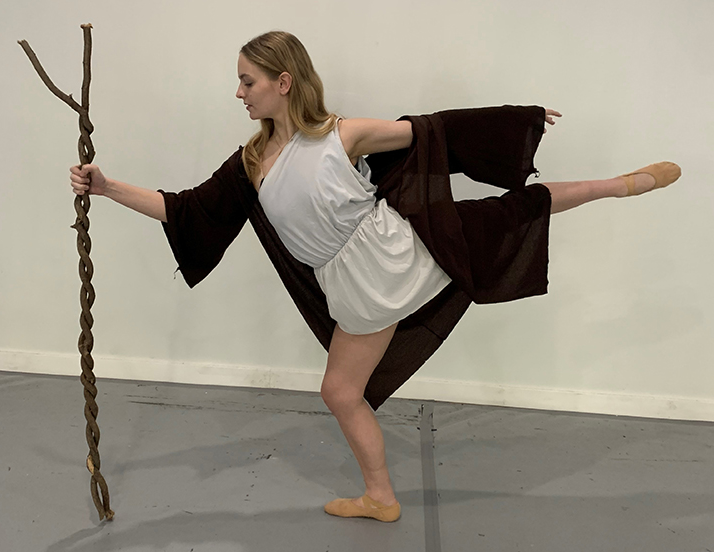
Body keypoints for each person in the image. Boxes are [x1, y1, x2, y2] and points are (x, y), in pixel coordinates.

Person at [69, 30, 681, 523]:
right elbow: (187, 211)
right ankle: (380, 499)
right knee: (341, 390)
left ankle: (620, 184)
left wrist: (516, 122)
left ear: (284, 83)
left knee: (506, 213)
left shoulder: (345, 134)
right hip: (357, 283)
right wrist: (108, 186)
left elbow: (436, 131)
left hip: (399, 247)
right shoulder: (250, 163)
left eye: (247, 81)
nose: (239, 93)